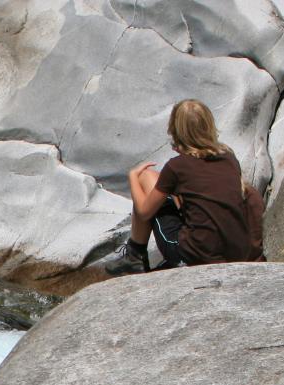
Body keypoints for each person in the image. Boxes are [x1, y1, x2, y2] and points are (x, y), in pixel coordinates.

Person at [102, 98, 265, 276]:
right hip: (234, 251)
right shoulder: (228, 158)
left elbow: (144, 212)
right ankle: (135, 257)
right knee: (161, 185)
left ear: (175, 131)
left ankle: (135, 255)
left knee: (146, 176)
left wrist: (132, 176)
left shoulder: (176, 167)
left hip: (195, 254)